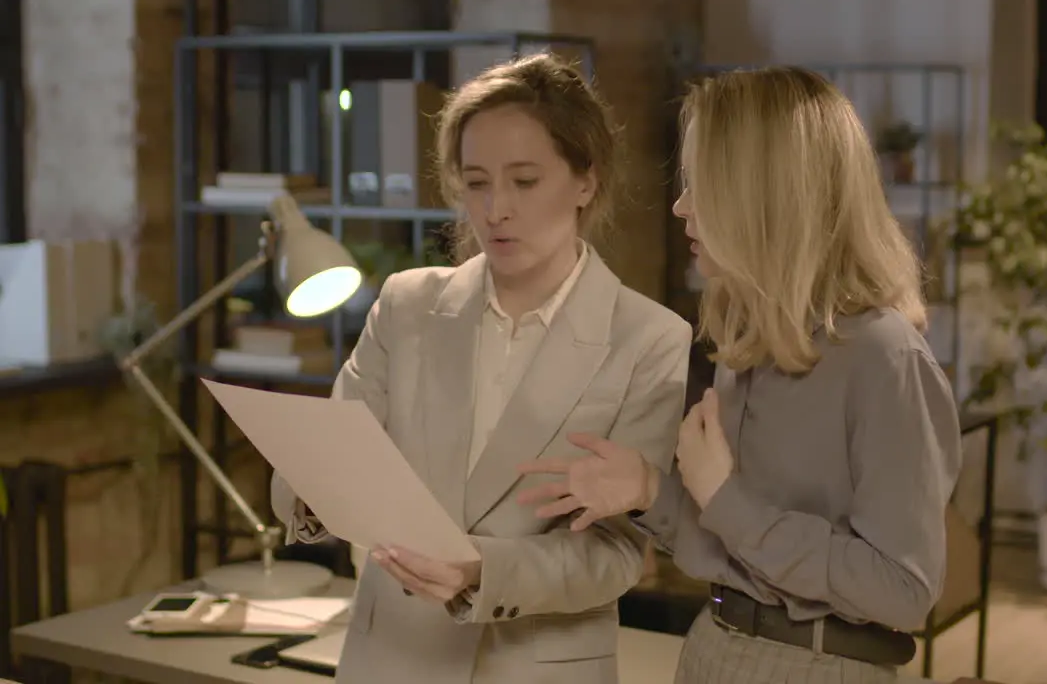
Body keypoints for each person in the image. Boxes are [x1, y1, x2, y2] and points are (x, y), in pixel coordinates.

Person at [517, 66, 962, 683]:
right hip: (716, 648)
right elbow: (734, 550)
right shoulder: (749, 339)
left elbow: (903, 590)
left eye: (702, 184)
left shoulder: (882, 357)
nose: (680, 207)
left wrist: (726, 498)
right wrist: (649, 492)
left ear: (766, 196)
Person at [269, 52, 692, 684]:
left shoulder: (649, 339)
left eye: (524, 182)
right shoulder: (407, 305)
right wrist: (314, 485)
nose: (496, 208)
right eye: (476, 182)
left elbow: (617, 554)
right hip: (394, 661)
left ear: (586, 181)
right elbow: (317, 467)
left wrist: (480, 570)